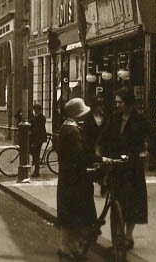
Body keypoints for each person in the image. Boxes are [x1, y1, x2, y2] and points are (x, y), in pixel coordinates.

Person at [97, 87, 149, 250]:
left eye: (120, 102)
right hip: (117, 165)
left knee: (132, 202)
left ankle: (128, 236)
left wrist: (145, 151)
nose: (117, 105)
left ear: (128, 103)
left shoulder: (139, 119)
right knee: (117, 200)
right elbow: (104, 137)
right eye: (116, 102)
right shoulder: (114, 117)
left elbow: (151, 136)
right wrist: (101, 154)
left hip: (133, 166)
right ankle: (118, 236)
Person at [56, 97, 98, 261]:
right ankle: (66, 248)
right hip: (74, 179)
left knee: (68, 213)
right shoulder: (73, 131)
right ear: (77, 114)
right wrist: (98, 159)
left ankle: (69, 246)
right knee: (73, 212)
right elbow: (79, 156)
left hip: (67, 177)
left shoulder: (65, 127)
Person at [29, 102, 47, 176]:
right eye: (34, 109)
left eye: (36, 109)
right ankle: (36, 160)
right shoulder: (34, 117)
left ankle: (37, 172)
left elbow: (38, 128)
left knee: (36, 153)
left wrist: (32, 132)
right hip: (35, 137)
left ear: (39, 110)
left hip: (39, 138)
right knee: (31, 150)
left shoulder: (41, 117)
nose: (35, 111)